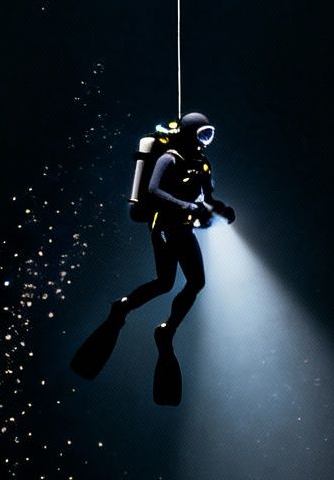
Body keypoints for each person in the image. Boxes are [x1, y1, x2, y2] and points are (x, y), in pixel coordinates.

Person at [68, 112, 236, 400]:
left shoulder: (203, 163)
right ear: (189, 132)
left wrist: (222, 209)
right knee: (165, 282)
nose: (205, 141)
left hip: (184, 229)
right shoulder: (168, 158)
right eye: (202, 134)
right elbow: (153, 189)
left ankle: (166, 330)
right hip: (164, 227)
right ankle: (122, 308)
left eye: (209, 135)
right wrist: (185, 205)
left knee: (195, 282)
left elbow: (207, 198)